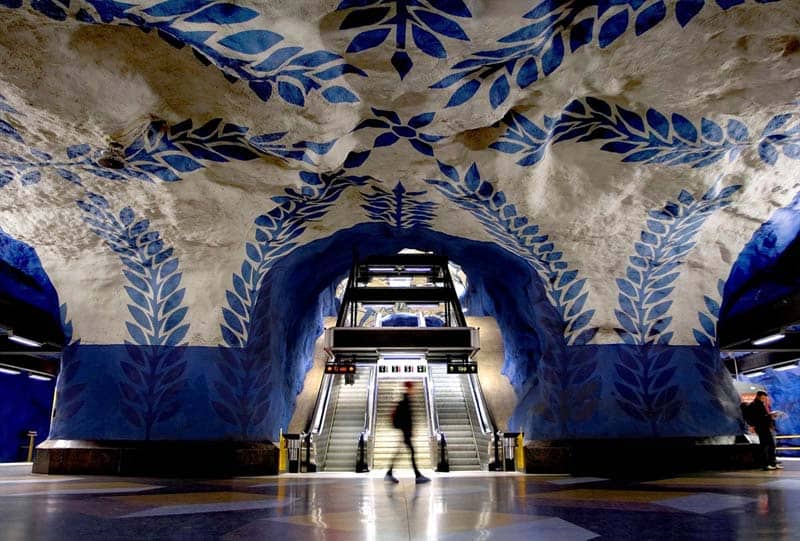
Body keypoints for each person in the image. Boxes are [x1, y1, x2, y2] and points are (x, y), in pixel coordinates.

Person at [385, 381, 430, 484]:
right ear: (409, 388)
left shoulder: (405, 400)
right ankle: (417, 475)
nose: (414, 390)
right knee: (411, 452)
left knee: (402, 452)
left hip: (405, 431)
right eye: (413, 388)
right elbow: (407, 418)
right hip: (406, 432)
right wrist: (409, 430)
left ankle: (389, 473)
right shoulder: (406, 401)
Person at [748, 391, 783, 471]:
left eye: (764, 398)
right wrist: (771, 416)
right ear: (758, 396)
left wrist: (770, 416)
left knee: (768, 445)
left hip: (762, 427)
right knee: (768, 445)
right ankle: (767, 464)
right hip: (762, 428)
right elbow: (761, 417)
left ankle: (771, 463)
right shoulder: (757, 405)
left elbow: (761, 416)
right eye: (763, 398)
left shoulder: (757, 405)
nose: (764, 399)